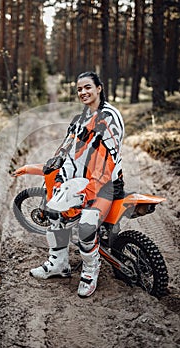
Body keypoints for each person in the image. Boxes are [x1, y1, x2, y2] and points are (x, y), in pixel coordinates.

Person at [30, 71, 125, 297]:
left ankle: (91, 270)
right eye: (79, 89)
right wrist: (61, 178)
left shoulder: (109, 117)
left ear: (99, 88)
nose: (83, 92)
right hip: (79, 182)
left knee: (85, 227)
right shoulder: (79, 119)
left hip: (104, 186)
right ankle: (59, 264)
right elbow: (68, 154)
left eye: (87, 87)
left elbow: (106, 161)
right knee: (54, 213)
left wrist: (87, 192)